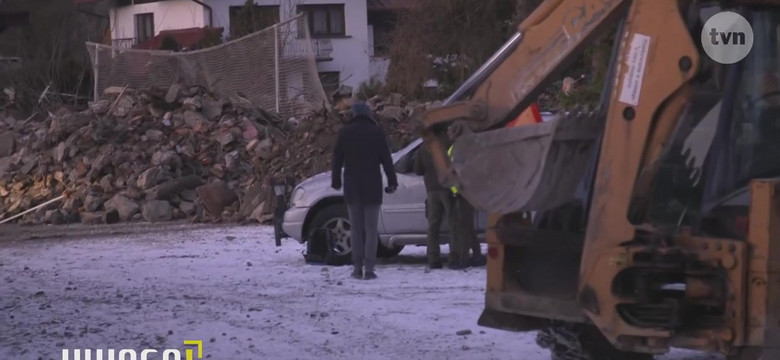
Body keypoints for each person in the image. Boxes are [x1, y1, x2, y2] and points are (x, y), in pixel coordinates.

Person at [331, 101, 398, 280]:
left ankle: (356, 268)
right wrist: (392, 181)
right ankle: (369, 269)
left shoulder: (345, 133)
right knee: (370, 229)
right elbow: (386, 159)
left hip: (353, 187)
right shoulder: (376, 132)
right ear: (368, 114)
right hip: (372, 188)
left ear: (353, 114)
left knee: (356, 229)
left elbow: (337, 158)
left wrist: (336, 180)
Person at [447, 124, 487, 269]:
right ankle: (476, 255)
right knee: (468, 226)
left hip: (463, 192)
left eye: (450, 130)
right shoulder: (462, 147)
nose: (448, 133)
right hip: (463, 192)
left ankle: (464, 259)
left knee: (463, 226)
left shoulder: (460, 149)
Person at [413, 132, 452, 270]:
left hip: (431, 191)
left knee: (433, 227)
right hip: (447, 188)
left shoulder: (424, 149)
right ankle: (455, 257)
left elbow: (418, 170)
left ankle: (433, 258)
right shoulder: (447, 144)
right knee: (454, 224)